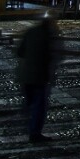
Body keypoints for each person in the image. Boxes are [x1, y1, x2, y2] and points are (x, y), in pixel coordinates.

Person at [15, 12, 63, 144]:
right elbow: (55, 56)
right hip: (40, 76)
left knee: (29, 102)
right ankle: (34, 133)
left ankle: (27, 125)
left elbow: (20, 52)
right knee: (39, 105)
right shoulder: (50, 36)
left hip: (25, 75)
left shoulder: (30, 31)